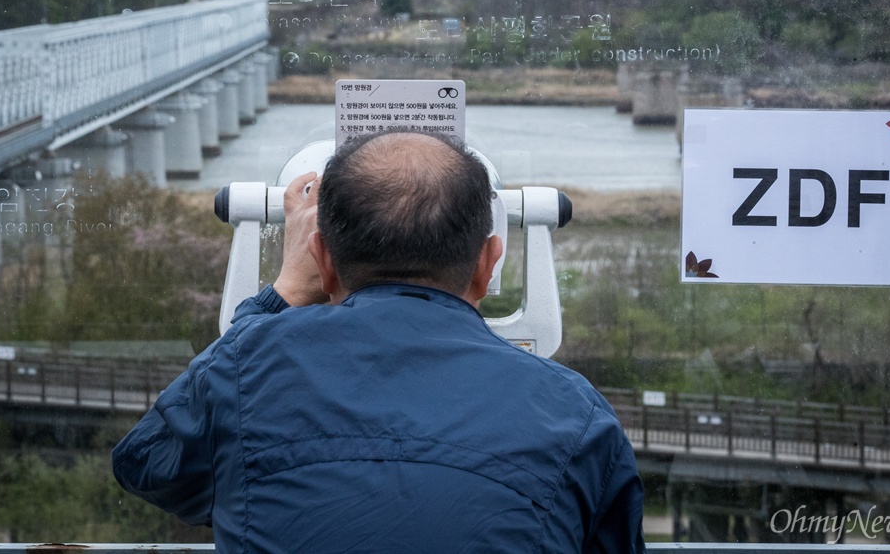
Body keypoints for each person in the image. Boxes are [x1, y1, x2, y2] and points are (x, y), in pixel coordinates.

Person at [113, 131, 645, 553]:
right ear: (488, 264)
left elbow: (147, 465)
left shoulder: (246, 372)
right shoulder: (575, 416)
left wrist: (280, 297)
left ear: (321, 260)